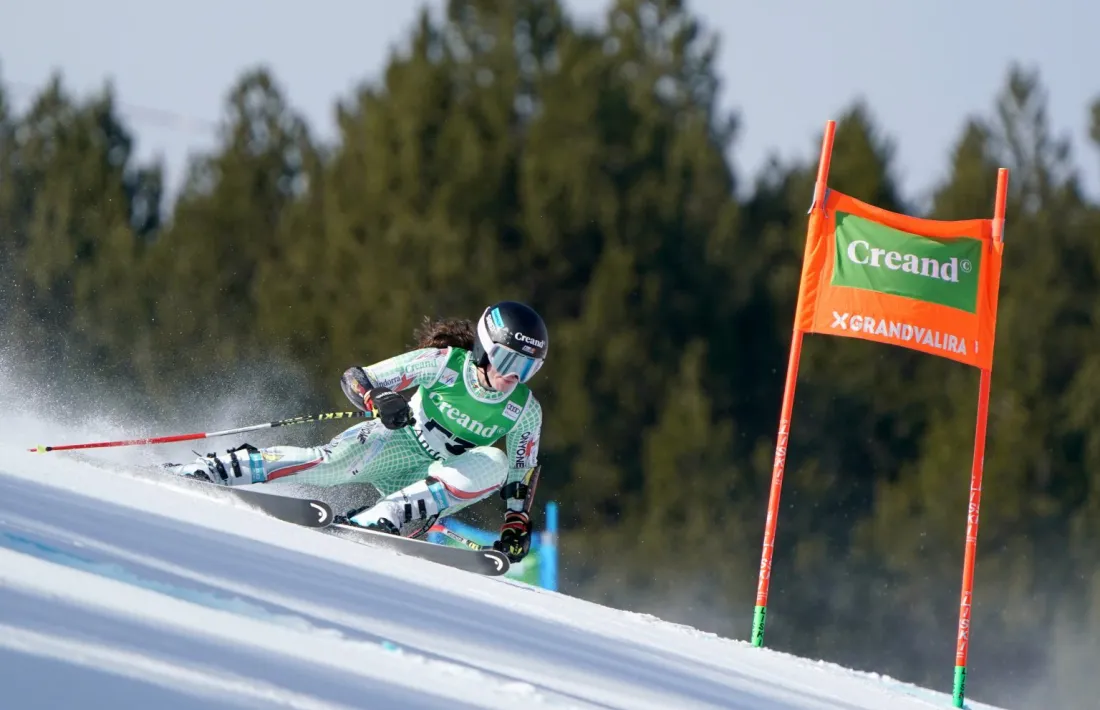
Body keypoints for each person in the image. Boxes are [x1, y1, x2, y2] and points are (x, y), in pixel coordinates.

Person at [166, 301, 547, 563]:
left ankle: (384, 516)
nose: (515, 376)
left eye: (528, 368)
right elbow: (357, 377)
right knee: (328, 466)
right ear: (484, 348)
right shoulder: (445, 365)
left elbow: (520, 472)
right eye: (508, 360)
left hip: (436, 481)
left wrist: (517, 521)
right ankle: (223, 468)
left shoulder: (525, 412)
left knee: (495, 461)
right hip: (397, 442)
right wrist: (378, 398)